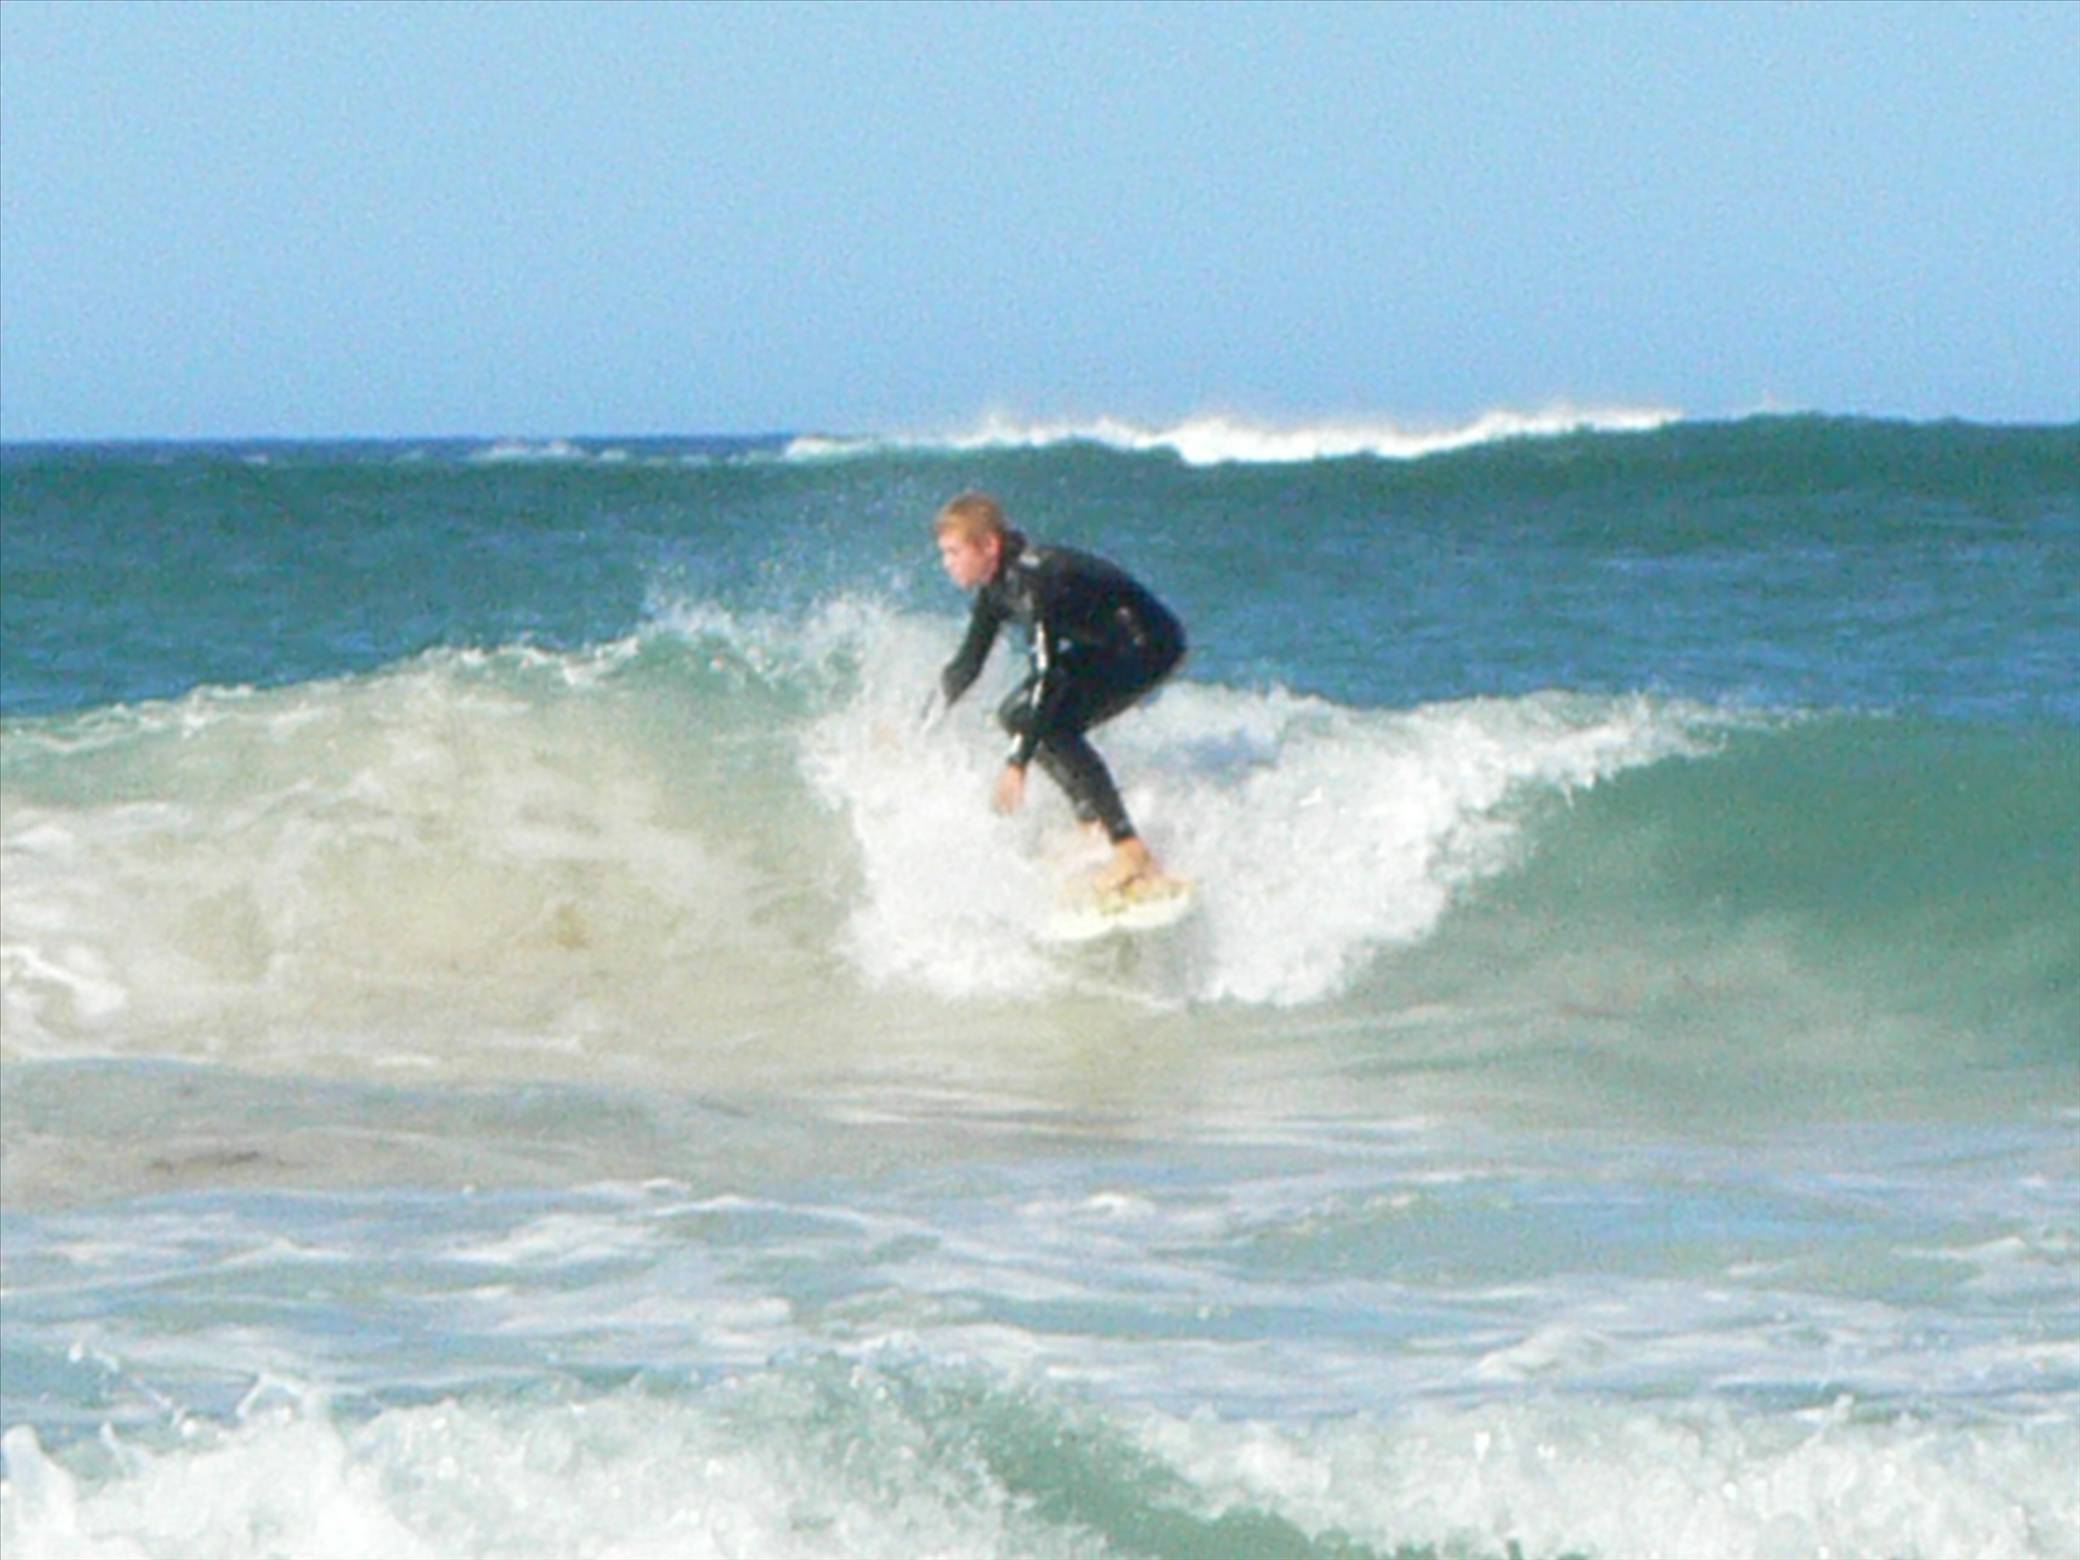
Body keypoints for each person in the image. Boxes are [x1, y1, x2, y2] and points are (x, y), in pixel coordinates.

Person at [928, 491, 1186, 895]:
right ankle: (1093, 825)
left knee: (1051, 722)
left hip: (1150, 645)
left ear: (988, 545)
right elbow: (964, 668)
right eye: (944, 553)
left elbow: (1046, 676)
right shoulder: (996, 590)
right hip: (1111, 646)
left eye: (954, 552)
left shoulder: (1034, 582)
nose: (947, 563)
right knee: (1016, 715)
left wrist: (1017, 762)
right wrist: (919, 729)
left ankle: (1130, 849)